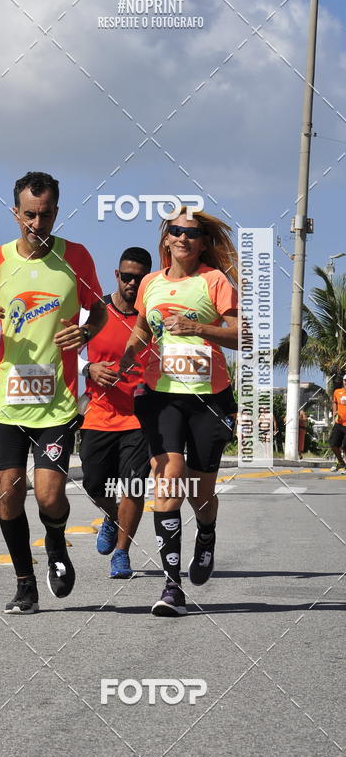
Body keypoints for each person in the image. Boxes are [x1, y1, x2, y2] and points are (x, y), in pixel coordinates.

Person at [0, 172, 106, 614]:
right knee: (9, 495)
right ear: (16, 213)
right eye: (29, 214)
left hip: (57, 403)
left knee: (48, 495)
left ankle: (55, 542)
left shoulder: (76, 257)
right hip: (8, 402)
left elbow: (99, 311)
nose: (37, 223)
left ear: (56, 213)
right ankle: (25, 584)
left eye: (45, 215)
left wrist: (85, 331)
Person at [119, 208, 238, 617]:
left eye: (192, 233)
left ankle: (206, 534)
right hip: (161, 395)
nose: (183, 238)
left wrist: (198, 328)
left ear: (202, 243)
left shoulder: (214, 281)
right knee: (168, 479)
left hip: (208, 397)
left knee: (201, 494)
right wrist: (130, 353)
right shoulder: (150, 282)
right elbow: (143, 328)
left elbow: (241, 334)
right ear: (166, 238)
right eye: (176, 231)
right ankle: (172, 586)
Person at [78, 247, 152, 578]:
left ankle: (122, 553)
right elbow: (66, 352)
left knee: (134, 486)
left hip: (140, 417)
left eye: (139, 278)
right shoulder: (94, 312)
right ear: (117, 275)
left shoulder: (152, 318)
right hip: (98, 413)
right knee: (94, 484)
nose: (132, 283)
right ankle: (111, 515)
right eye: (127, 276)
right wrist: (89, 368)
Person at [329, 374, 346, 471]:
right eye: (345, 380)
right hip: (339, 422)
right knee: (333, 444)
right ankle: (341, 462)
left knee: (345, 447)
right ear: (343, 381)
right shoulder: (337, 392)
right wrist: (334, 411)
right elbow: (334, 402)